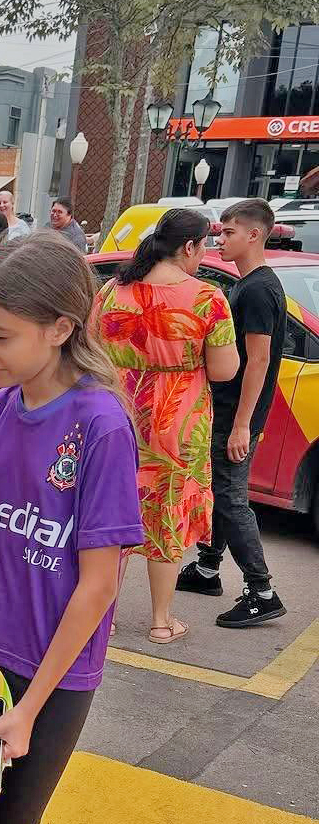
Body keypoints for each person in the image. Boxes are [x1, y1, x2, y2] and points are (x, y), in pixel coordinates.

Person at [0, 232, 144, 824]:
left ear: (59, 328)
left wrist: (28, 710)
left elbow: (100, 585)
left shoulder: (99, 425)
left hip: (50, 678)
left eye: (1, 336)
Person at [93, 209, 239, 644]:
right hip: (176, 422)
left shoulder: (111, 291)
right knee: (166, 514)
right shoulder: (207, 299)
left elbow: (88, 349)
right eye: (204, 245)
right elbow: (225, 369)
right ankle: (160, 621)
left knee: (109, 513)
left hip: (116, 414)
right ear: (190, 247)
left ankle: (103, 617)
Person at [177, 199, 288, 627]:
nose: (219, 240)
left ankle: (262, 591)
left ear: (254, 235)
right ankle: (208, 568)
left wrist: (242, 423)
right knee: (218, 489)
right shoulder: (250, 284)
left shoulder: (259, 288)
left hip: (236, 414)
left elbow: (258, 360)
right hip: (229, 410)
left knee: (229, 495)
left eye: (228, 233)